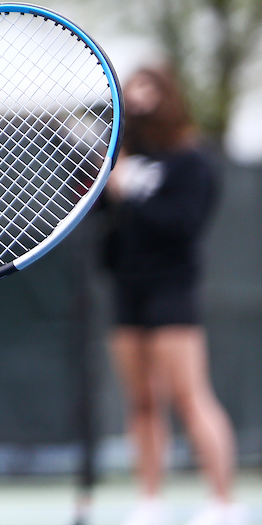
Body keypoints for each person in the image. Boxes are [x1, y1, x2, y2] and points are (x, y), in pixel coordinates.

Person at [100, 67, 243, 525]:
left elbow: (181, 225)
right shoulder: (121, 157)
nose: (140, 99)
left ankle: (223, 503)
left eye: (149, 89)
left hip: (172, 289)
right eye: (133, 90)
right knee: (141, 400)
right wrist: (106, 183)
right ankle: (150, 501)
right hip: (127, 288)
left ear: (168, 95)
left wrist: (130, 195)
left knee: (189, 395)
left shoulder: (192, 160)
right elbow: (99, 220)